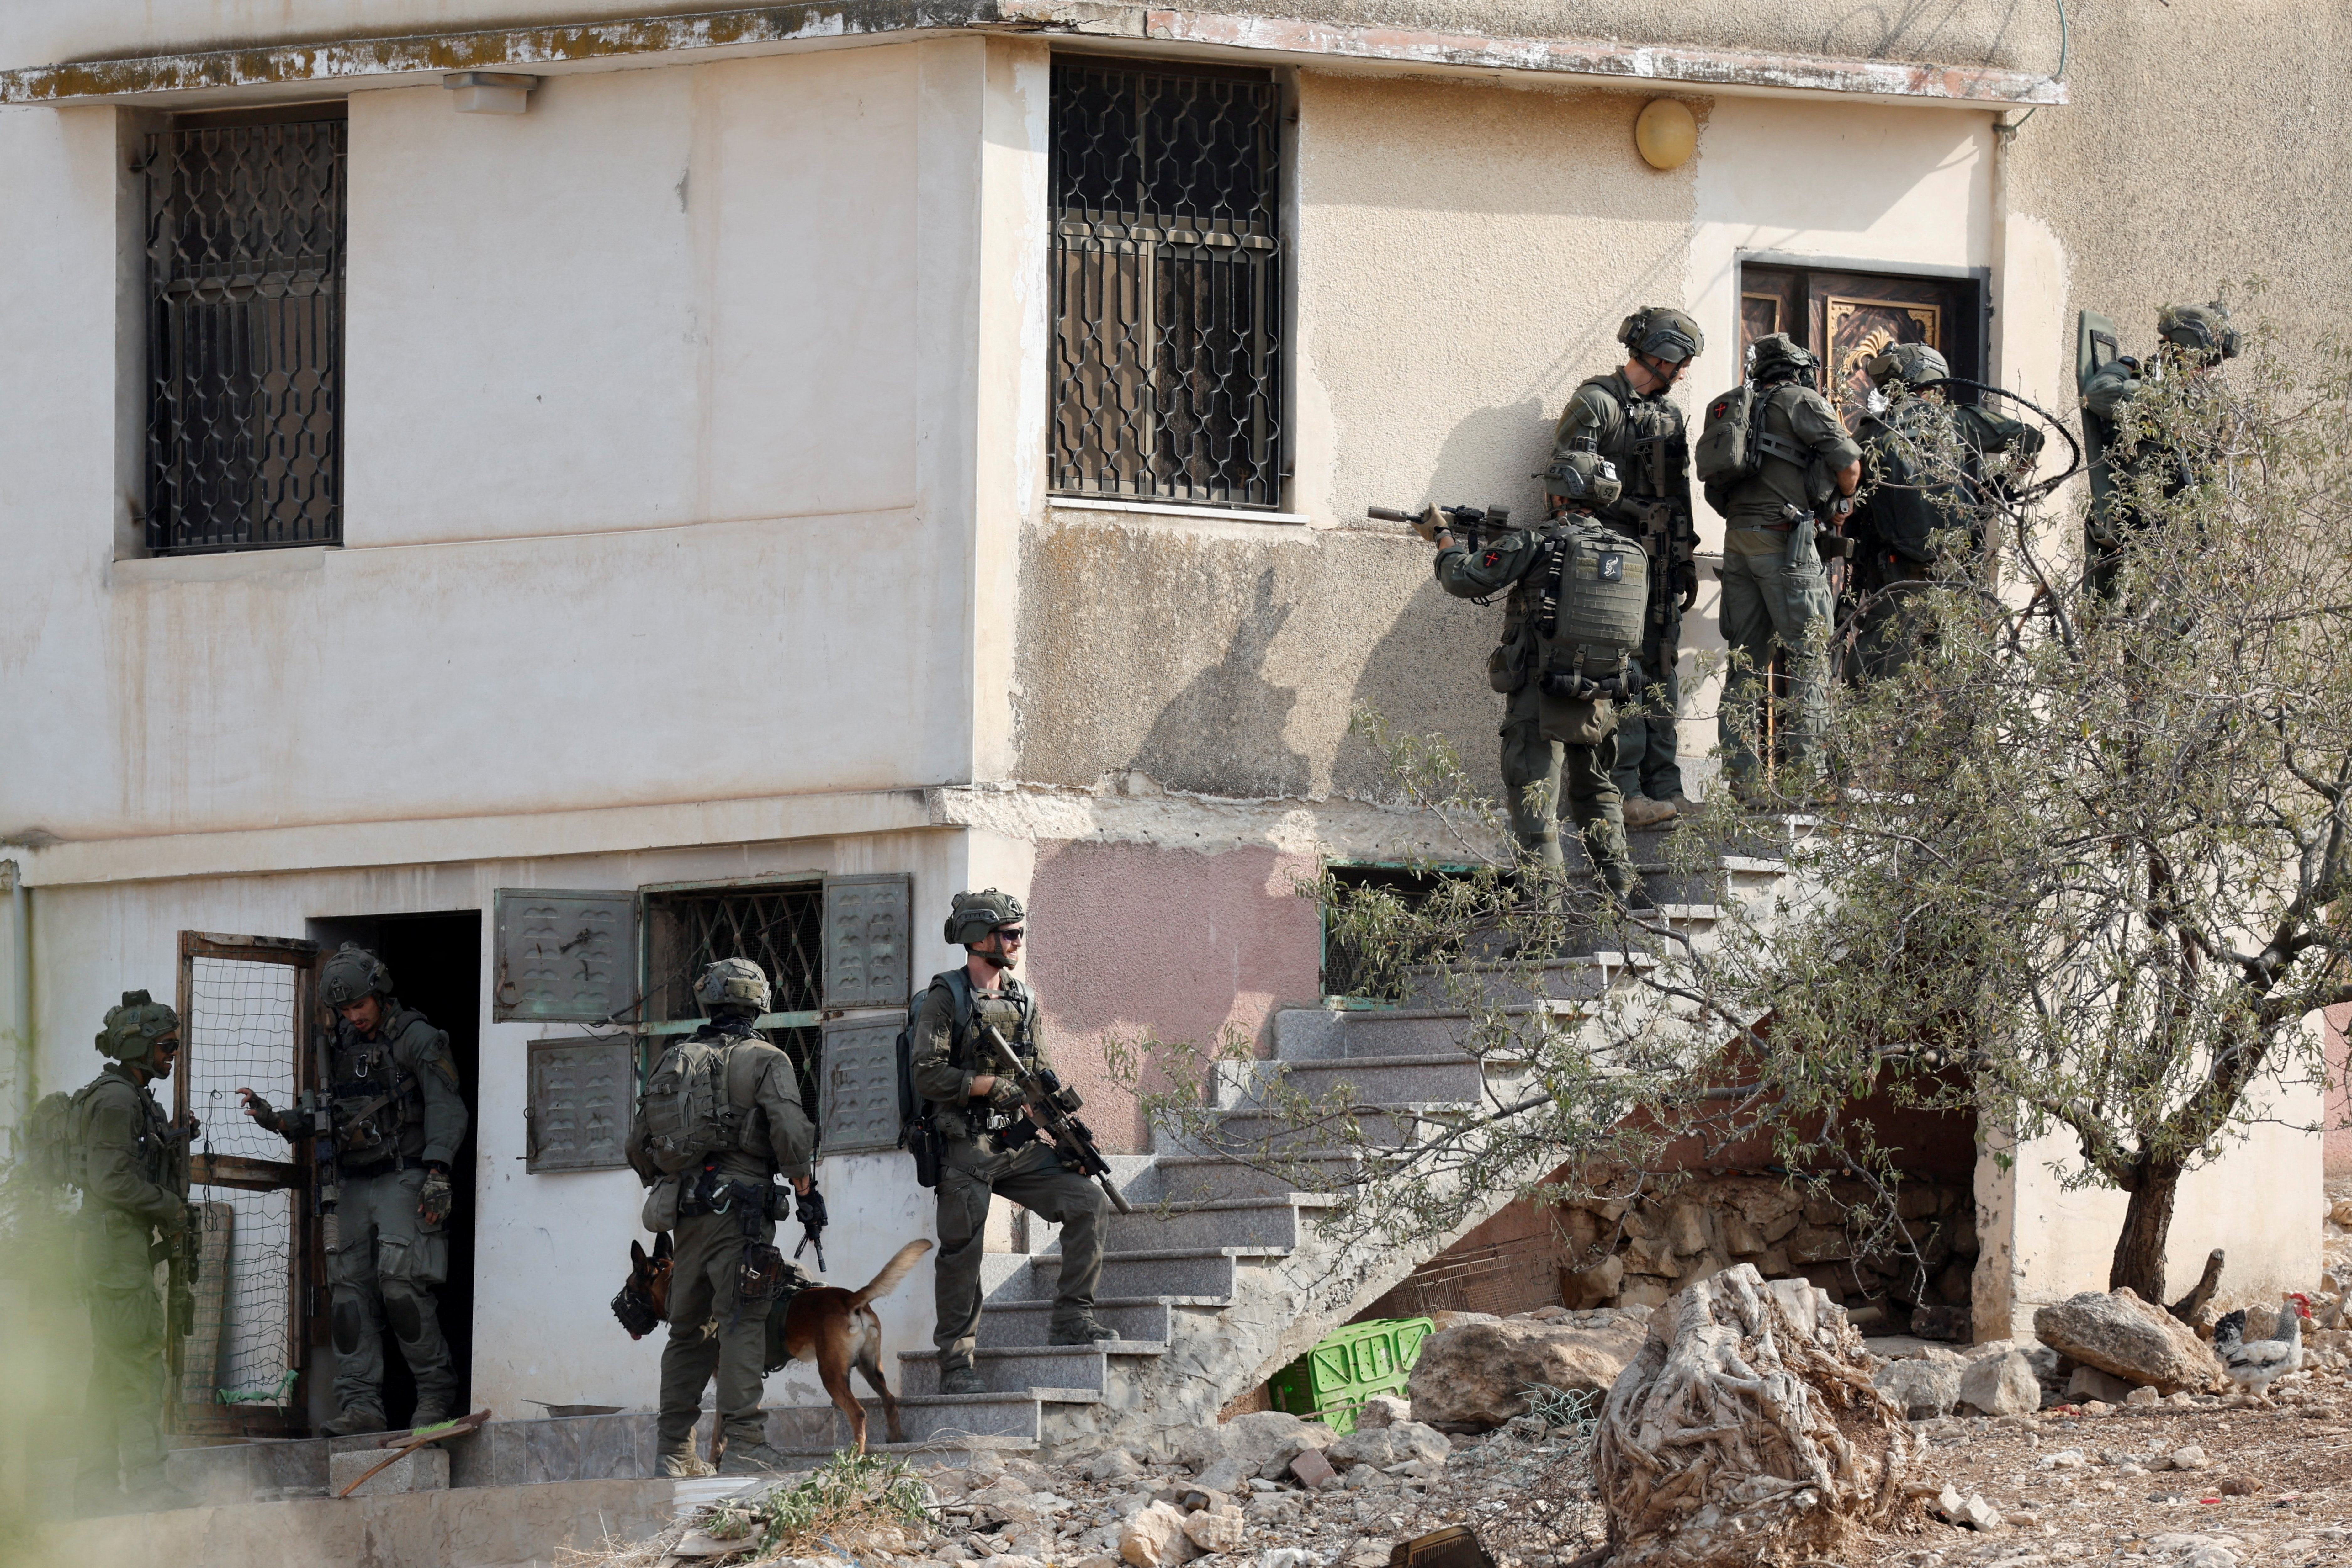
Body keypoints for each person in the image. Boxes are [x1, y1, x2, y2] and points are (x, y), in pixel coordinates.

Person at [237, 942, 468, 1437]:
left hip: (405, 1175)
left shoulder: (418, 1039)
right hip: (351, 1183)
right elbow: (322, 1113)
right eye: (344, 1009)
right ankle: (361, 1405)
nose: (353, 1016)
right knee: (347, 1296)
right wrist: (275, 1118)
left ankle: (434, 1396)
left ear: (380, 995)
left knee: (401, 1287)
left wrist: (439, 1172)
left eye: (359, 1006)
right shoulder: (337, 1045)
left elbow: (448, 1109)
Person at [911, 889, 1113, 1397]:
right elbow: (926, 1075)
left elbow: (1038, 1075)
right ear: (979, 938)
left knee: (1087, 1200)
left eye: (1020, 932)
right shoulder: (946, 997)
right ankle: (957, 1365)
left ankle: (1072, 1319)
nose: (1018, 941)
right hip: (964, 1146)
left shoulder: (1022, 999)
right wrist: (984, 1085)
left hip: (1014, 1143)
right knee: (963, 1252)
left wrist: (1060, 1132)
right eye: (1010, 933)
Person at [624, 956, 815, 1477]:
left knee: (687, 1330)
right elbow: (791, 1133)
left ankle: (674, 1453)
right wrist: (804, 1184)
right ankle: (748, 1444)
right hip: (742, 1215)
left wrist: (677, 1182)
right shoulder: (767, 1059)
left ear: (709, 1000)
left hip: (684, 1216)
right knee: (741, 1321)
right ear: (759, 1003)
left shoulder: (673, 1059)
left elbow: (638, 1145)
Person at [1425, 451, 1645, 901]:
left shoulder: (1537, 542)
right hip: (1600, 696)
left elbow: (1464, 580)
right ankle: (1624, 897)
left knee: (1535, 810)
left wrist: (1442, 537)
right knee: (1600, 797)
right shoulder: (1626, 550)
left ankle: (1545, 927)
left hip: (1539, 697)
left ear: (1559, 492)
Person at [1547, 307, 1706, 825]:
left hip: (1659, 557)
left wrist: (1684, 557)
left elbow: (1679, 491)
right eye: (1680, 363)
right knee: (1626, 672)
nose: (1683, 374)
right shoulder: (1597, 403)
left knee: (1663, 666)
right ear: (1660, 356)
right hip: (1612, 562)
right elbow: (1565, 489)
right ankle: (1626, 789)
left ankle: (1667, 784)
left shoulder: (1668, 415)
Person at [1705, 332, 1862, 795]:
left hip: (1738, 542)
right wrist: (1841, 505)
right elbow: (1850, 466)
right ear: (1799, 370)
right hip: (1787, 546)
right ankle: (1802, 782)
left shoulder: (1731, 406)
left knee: (1744, 664)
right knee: (1810, 657)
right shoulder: (1802, 401)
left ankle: (1743, 784)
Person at [69, 990, 197, 1514]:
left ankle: (96, 1489)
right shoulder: (119, 1101)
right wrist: (169, 1207)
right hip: (114, 1247)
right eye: (166, 1046)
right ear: (140, 1047)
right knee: (141, 1360)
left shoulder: (133, 1095)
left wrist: (172, 1140)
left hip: (119, 1245)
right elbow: (112, 1180)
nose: (173, 1054)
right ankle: (147, 1484)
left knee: (111, 1368)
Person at [2081, 301, 2238, 597]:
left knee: (2124, 625)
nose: (2160, 351)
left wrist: (2120, 368)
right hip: (2184, 536)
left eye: (2166, 344)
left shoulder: (2172, 400)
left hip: (2148, 532)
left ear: (2183, 345)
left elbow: (2098, 395)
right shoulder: (2217, 404)